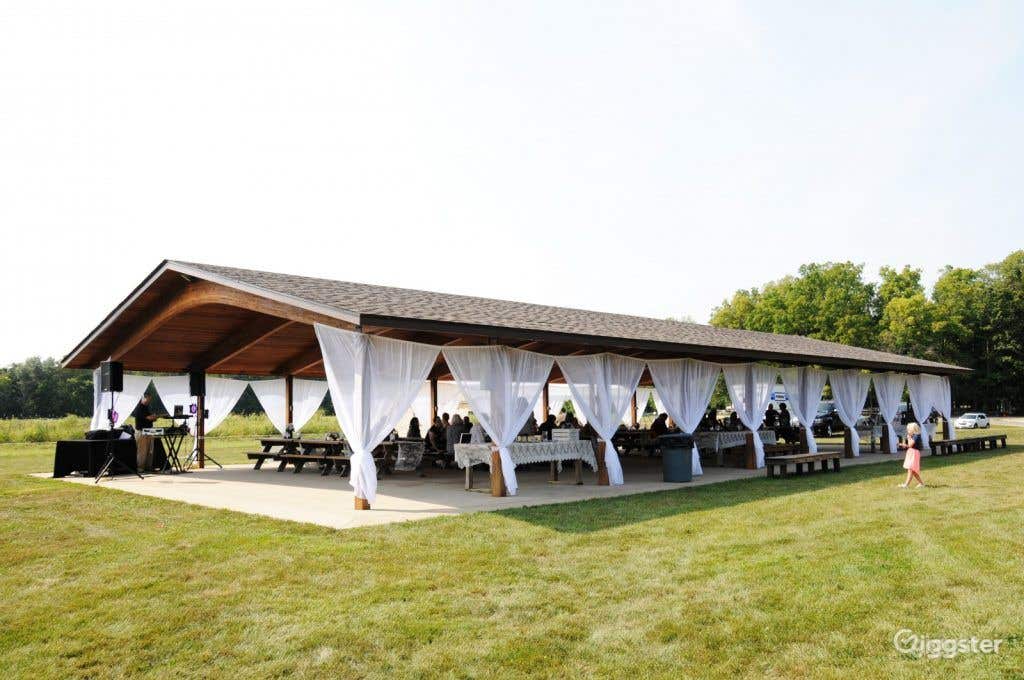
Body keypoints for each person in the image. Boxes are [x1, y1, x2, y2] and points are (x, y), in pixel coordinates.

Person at [131, 395, 158, 471]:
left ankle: (148, 467)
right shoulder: (140, 407)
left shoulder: (147, 407)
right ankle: (140, 467)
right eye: (148, 399)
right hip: (141, 431)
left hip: (149, 430)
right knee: (142, 451)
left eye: (150, 399)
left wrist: (154, 417)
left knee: (150, 450)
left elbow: (150, 418)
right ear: (144, 398)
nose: (149, 401)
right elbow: (148, 417)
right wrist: (154, 417)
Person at [898, 422, 926, 488]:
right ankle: (921, 484)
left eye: (908, 430)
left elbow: (910, 444)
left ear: (913, 430)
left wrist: (908, 438)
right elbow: (909, 446)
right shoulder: (913, 436)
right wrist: (904, 445)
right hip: (911, 452)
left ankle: (906, 485)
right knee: (912, 470)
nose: (907, 431)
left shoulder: (916, 436)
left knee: (911, 469)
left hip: (914, 453)